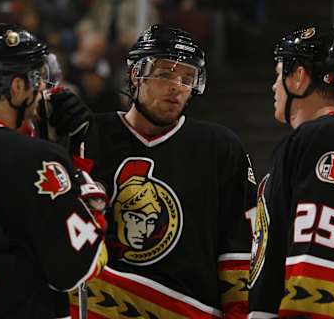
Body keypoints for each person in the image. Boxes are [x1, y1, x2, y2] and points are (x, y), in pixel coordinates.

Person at [43, 24, 257, 318]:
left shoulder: (221, 148)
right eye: (165, 73)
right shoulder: (88, 135)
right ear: (135, 75)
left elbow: (238, 246)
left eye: (187, 77)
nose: (177, 86)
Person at [0, 24, 107, 318]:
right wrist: (81, 176)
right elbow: (78, 267)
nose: (42, 90)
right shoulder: (34, 156)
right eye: (36, 79)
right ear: (17, 87)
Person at [248, 26, 334, 318]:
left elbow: (321, 254)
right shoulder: (316, 139)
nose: (274, 86)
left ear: (298, 76)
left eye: (278, 74)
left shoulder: (329, 135)